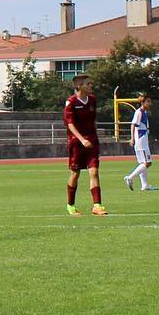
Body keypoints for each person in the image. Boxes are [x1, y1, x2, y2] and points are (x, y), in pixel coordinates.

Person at [63, 74, 106, 217]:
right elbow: (70, 124)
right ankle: (71, 206)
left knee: (94, 171)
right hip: (76, 143)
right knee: (75, 174)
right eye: (88, 84)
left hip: (92, 141)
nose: (90, 86)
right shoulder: (71, 102)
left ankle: (97, 206)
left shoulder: (93, 100)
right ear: (79, 86)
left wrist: (92, 138)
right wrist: (82, 140)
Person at [124, 93, 159, 192]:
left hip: (142, 139)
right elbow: (133, 125)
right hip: (140, 140)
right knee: (148, 163)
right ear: (143, 102)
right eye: (148, 101)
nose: (150, 103)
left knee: (142, 163)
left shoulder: (144, 112)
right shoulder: (139, 112)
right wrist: (132, 138)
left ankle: (145, 185)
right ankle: (130, 177)